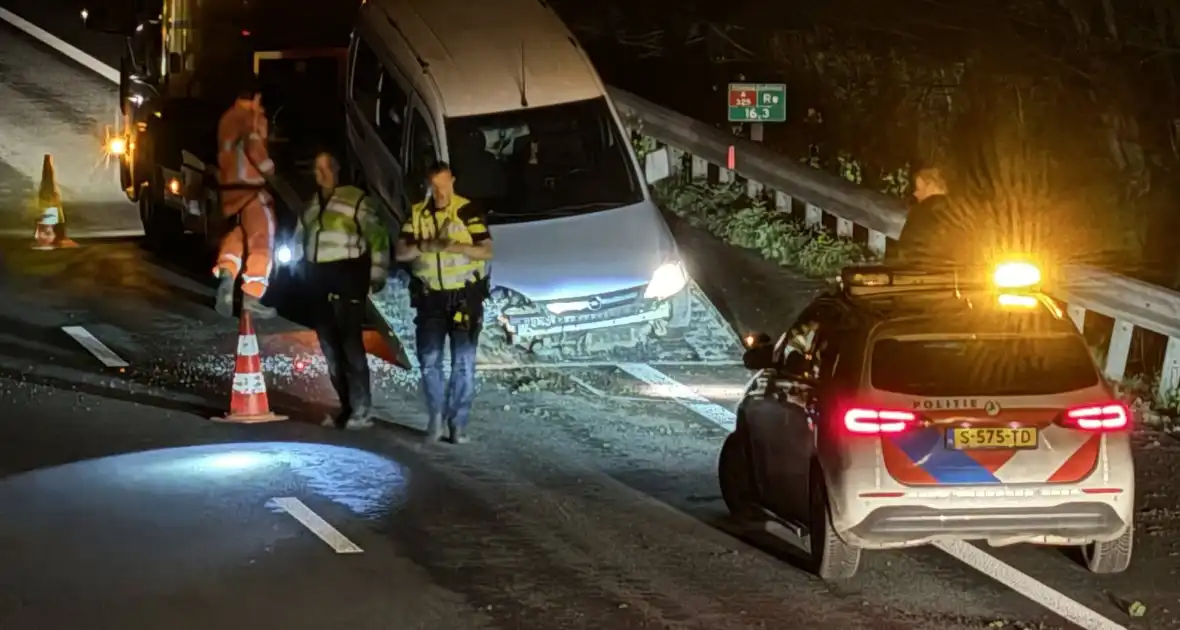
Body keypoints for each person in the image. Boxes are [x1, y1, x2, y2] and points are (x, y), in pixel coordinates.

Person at [395, 162, 494, 444]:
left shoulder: (466, 211)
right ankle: (436, 418)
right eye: (434, 186)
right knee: (429, 360)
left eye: (443, 185)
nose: (439, 192)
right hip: (430, 298)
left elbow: (487, 250)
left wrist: (452, 246)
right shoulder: (417, 214)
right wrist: (425, 246)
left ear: (452, 180)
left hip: (464, 298)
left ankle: (458, 424)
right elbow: (401, 251)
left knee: (463, 363)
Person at [294, 152, 391, 430]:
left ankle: (361, 409)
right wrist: (301, 272)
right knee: (330, 348)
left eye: (325, 168)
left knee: (350, 345)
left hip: (348, 277)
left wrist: (377, 273)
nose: (320, 174)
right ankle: (347, 406)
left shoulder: (356, 200)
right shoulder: (310, 206)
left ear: (337, 169)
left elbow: (378, 237)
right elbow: (299, 239)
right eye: (316, 169)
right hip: (318, 282)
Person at [213, 78, 278, 319]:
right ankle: (252, 297)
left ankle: (228, 277)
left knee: (238, 236)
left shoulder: (227, 118)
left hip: (230, 190)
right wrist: (271, 171)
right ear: (257, 97)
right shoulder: (250, 117)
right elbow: (254, 149)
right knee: (263, 238)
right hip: (251, 187)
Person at [890, 166, 962, 265]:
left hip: (922, 272)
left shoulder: (920, 213)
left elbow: (906, 248)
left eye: (919, 188)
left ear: (931, 185)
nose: (915, 194)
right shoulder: (962, 211)